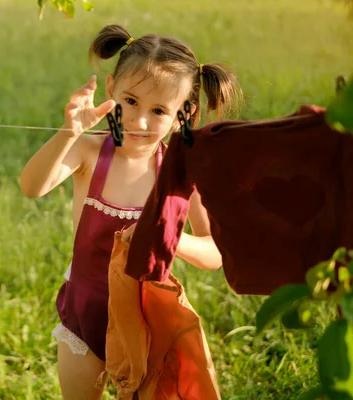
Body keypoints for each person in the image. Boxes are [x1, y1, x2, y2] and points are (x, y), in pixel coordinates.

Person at [20, 24, 242, 399]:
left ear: (183, 115)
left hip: (148, 320)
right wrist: (67, 132)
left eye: (158, 110)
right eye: (131, 101)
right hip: (85, 312)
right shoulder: (89, 152)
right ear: (111, 90)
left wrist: (168, 235)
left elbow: (214, 254)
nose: (139, 121)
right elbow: (31, 186)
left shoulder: (183, 171)